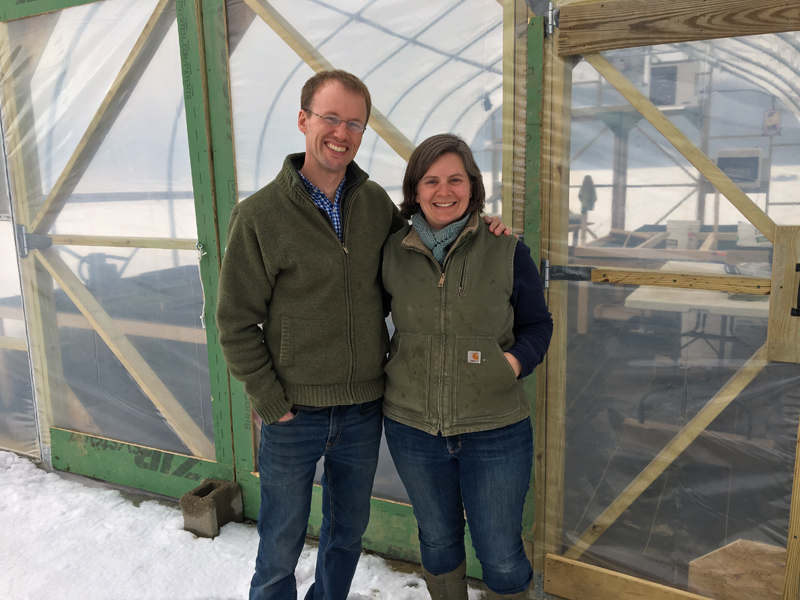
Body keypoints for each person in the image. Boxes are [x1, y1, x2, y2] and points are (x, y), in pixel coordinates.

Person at [215, 71, 509, 600]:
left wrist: (486, 230)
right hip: (294, 413)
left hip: (362, 410)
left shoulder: (375, 206)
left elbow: (431, 245)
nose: (341, 132)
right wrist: (270, 399)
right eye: (330, 117)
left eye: (354, 122)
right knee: (279, 540)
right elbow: (235, 321)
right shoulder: (258, 216)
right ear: (304, 120)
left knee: (345, 534)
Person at [381, 134, 553, 600]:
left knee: (499, 550)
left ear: (472, 187)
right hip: (412, 427)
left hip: (495, 429)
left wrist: (510, 364)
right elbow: (365, 319)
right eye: (431, 180)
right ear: (415, 189)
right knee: (436, 538)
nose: (444, 190)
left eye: (455, 179)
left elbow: (538, 325)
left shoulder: (506, 249)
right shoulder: (392, 250)